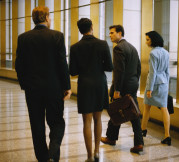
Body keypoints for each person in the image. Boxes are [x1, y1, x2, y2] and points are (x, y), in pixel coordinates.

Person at [15, 6, 72, 162]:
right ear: (47, 17)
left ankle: (43, 158)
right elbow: (62, 64)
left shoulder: (23, 37)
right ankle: (53, 155)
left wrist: (25, 85)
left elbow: (19, 65)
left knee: (37, 126)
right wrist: (67, 86)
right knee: (57, 123)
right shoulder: (57, 36)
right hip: (54, 89)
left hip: (33, 90)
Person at [69, 18, 113, 162]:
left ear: (80, 30)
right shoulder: (102, 44)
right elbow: (109, 67)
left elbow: (73, 71)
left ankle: (89, 156)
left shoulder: (75, 47)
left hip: (84, 85)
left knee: (86, 121)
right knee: (98, 118)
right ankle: (96, 152)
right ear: (92, 27)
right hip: (99, 83)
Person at [101, 25, 144, 154]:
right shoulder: (132, 47)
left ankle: (114, 138)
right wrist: (135, 81)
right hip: (132, 84)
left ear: (120, 33)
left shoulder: (118, 48)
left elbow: (119, 71)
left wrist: (117, 90)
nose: (110, 35)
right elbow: (139, 68)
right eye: (109, 33)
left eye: (112, 33)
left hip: (123, 86)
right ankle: (116, 138)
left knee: (117, 109)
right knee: (132, 111)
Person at [141, 31, 171, 145]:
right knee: (164, 108)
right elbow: (167, 72)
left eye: (148, 39)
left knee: (147, 107)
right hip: (163, 83)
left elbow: (153, 73)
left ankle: (143, 130)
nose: (146, 42)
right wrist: (166, 85)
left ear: (153, 40)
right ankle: (167, 135)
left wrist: (149, 89)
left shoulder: (153, 53)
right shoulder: (166, 53)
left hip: (154, 84)